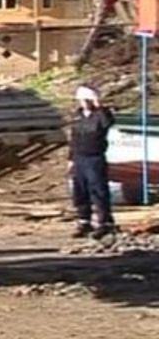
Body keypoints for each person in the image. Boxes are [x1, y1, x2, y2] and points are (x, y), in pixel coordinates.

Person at [68, 85, 116, 239]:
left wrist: (99, 106)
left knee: (98, 190)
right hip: (79, 158)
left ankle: (105, 223)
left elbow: (107, 124)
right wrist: (70, 159)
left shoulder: (101, 115)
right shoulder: (77, 116)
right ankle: (84, 221)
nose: (85, 103)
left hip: (95, 158)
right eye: (82, 100)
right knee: (80, 191)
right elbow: (74, 139)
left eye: (88, 100)